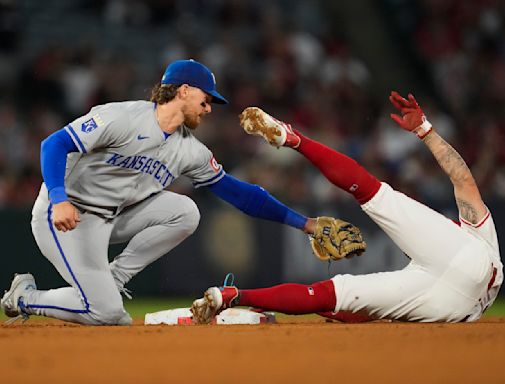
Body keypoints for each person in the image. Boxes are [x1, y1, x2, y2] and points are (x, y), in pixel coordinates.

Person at [0, 59, 321, 325]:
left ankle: (116, 277)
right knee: (108, 314)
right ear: (183, 91)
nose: (209, 108)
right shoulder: (122, 117)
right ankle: (24, 298)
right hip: (65, 216)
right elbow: (53, 144)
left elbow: (242, 195)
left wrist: (306, 224)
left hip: (111, 219)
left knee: (186, 212)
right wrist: (59, 198)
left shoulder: (189, 150)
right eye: (206, 99)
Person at [191, 91, 503, 323]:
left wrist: (425, 130)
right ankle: (229, 297)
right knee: (334, 293)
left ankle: (293, 138)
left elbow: (463, 179)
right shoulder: (470, 241)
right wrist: (263, 305)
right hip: (458, 309)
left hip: (450, 289)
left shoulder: (475, 235)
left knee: (371, 192)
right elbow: (348, 311)